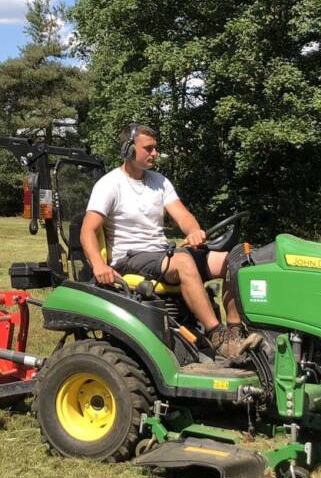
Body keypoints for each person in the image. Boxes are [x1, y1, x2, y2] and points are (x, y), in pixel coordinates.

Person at [81, 122, 255, 362]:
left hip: (161, 253)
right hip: (130, 256)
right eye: (148, 148)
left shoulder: (159, 181)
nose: (155, 154)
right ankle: (218, 337)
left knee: (235, 259)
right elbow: (87, 231)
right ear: (128, 150)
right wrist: (99, 266)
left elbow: (182, 215)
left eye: (155, 148)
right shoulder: (109, 185)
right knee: (183, 262)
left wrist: (194, 230)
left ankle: (235, 330)